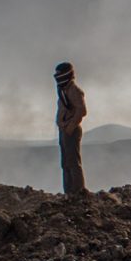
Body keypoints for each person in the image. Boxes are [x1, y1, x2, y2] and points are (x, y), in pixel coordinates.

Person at [54, 61, 88, 197]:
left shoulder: (74, 90)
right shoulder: (63, 91)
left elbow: (82, 110)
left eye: (59, 74)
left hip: (71, 131)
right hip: (64, 130)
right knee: (66, 163)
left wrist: (70, 126)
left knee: (73, 162)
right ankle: (69, 192)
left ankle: (78, 192)